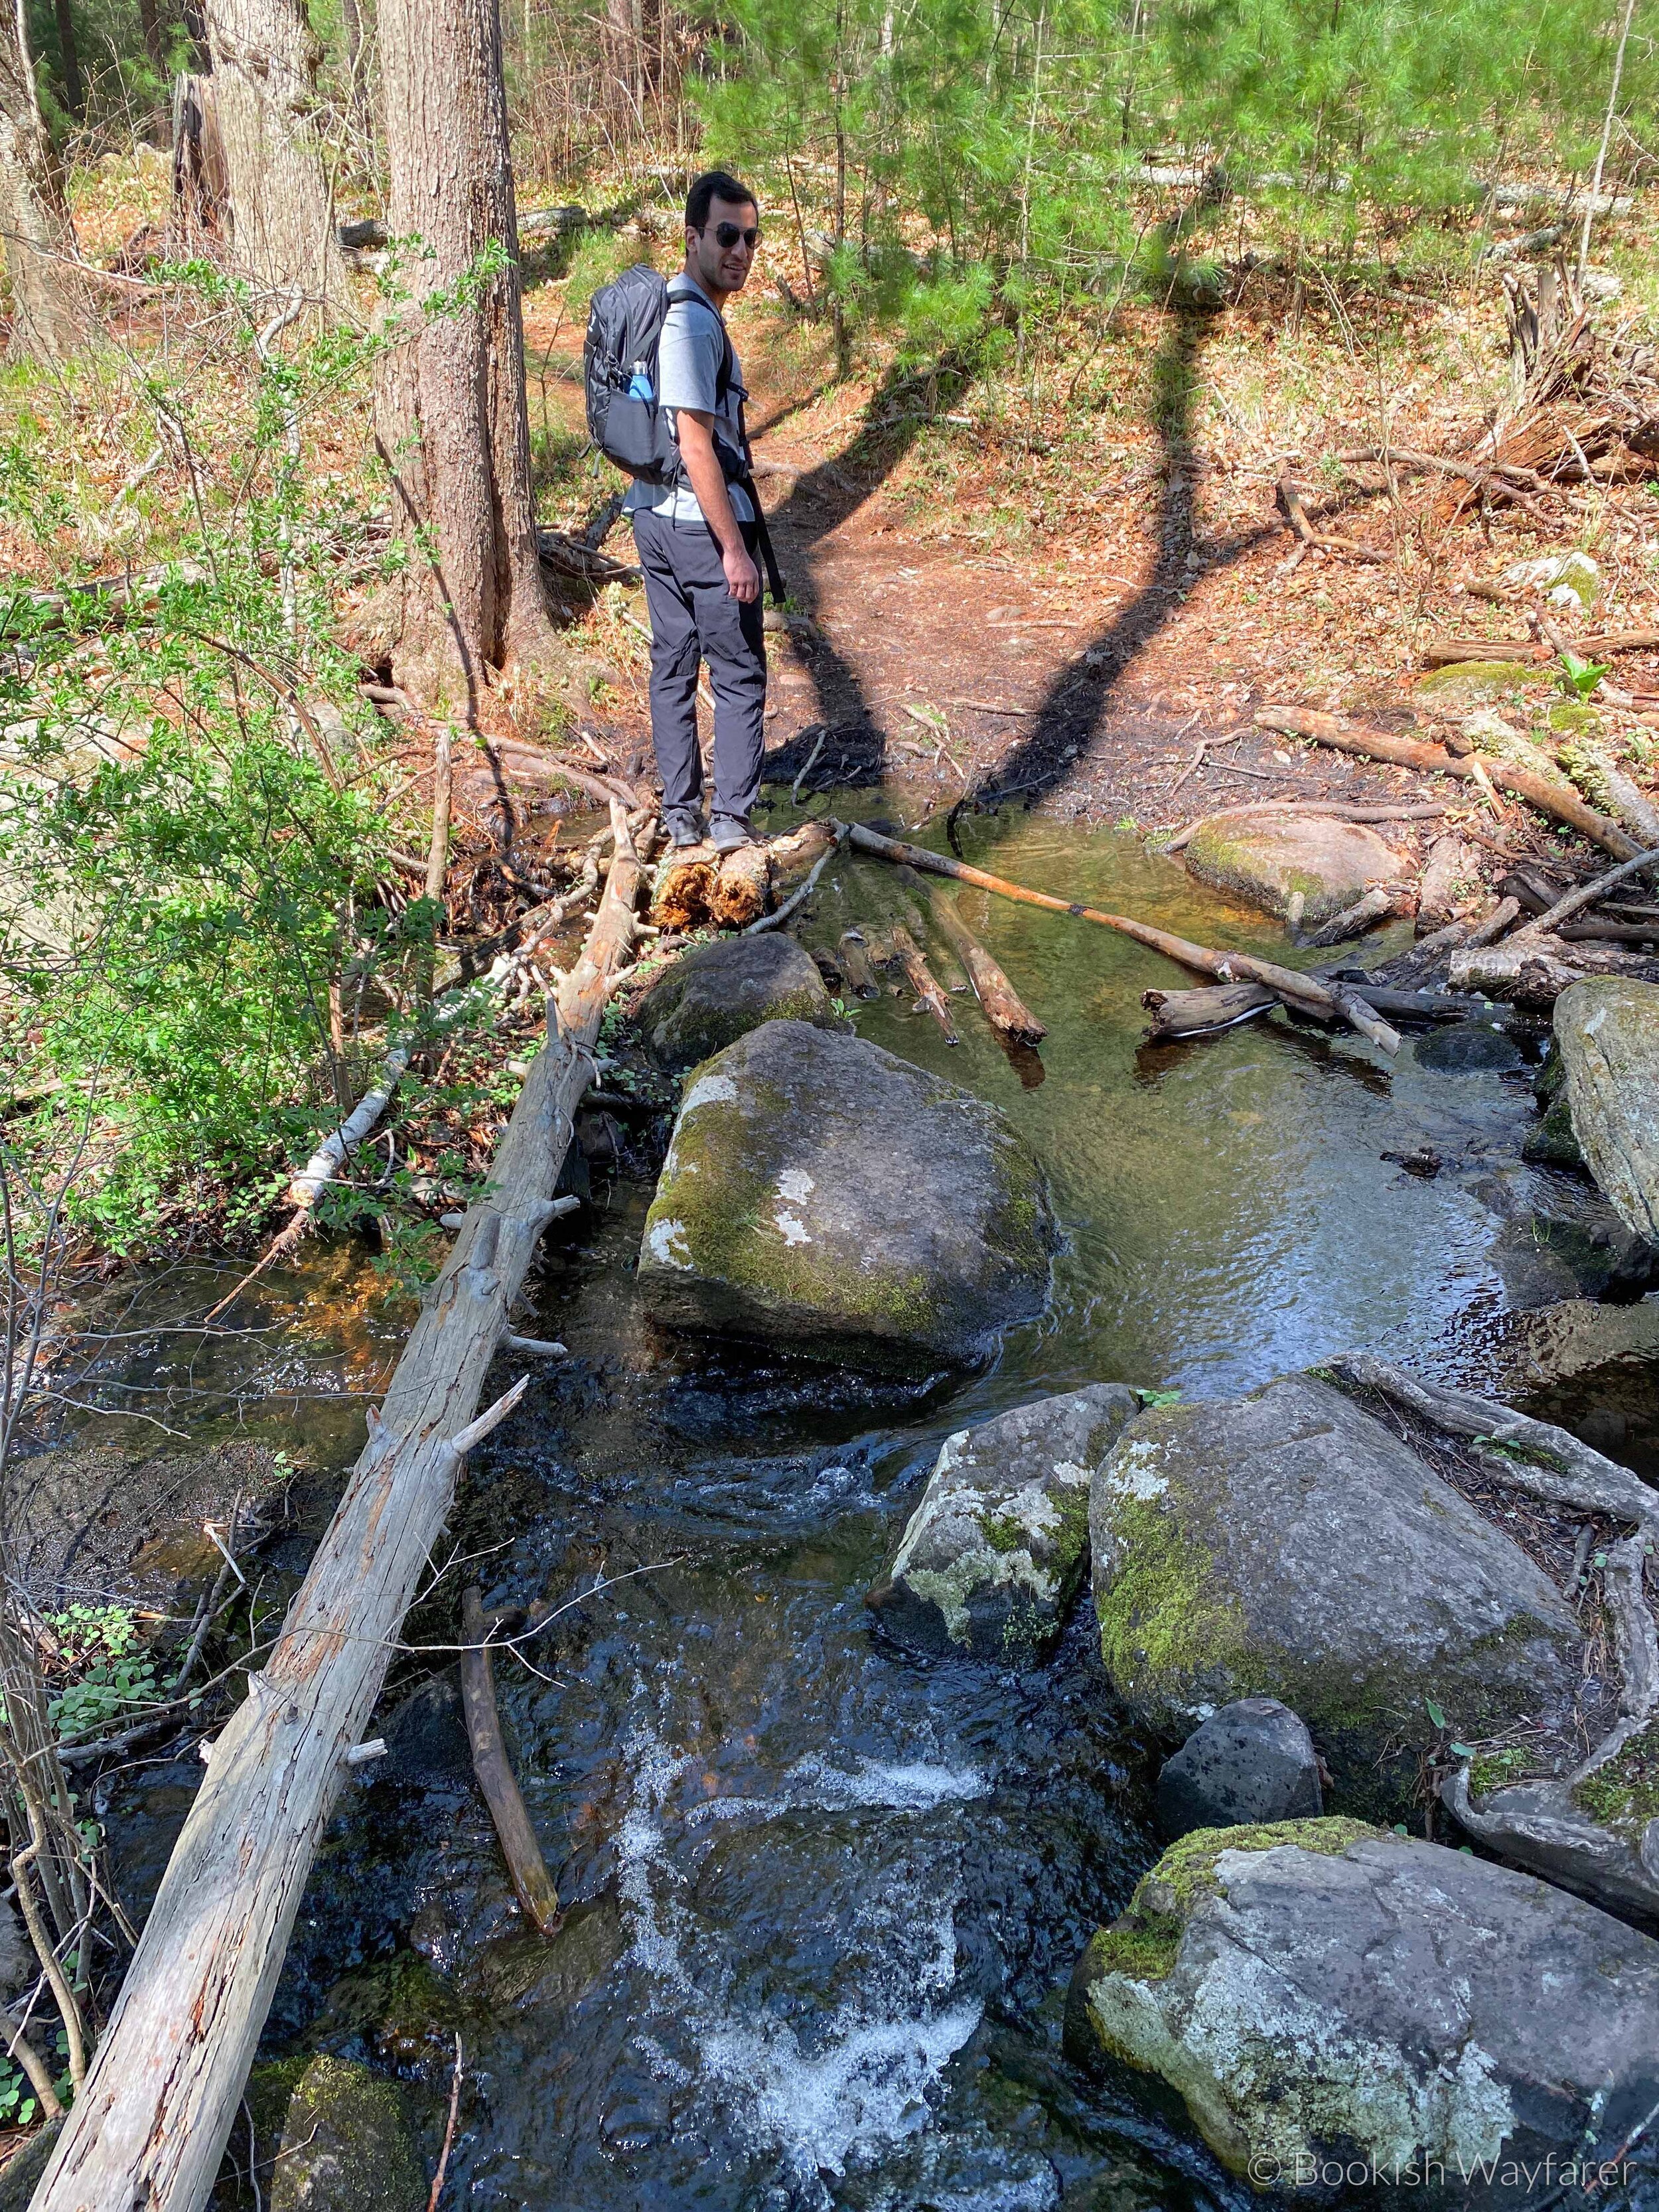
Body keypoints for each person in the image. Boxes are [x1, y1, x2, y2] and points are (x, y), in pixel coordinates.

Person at [626, 169, 768, 853]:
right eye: (726, 235)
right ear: (693, 238)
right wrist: (733, 550)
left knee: (673, 666)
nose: (740, 249)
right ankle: (729, 827)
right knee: (738, 674)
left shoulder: (665, 310)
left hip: (653, 516)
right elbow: (694, 441)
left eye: (750, 237)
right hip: (695, 525)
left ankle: (682, 817)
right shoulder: (689, 323)